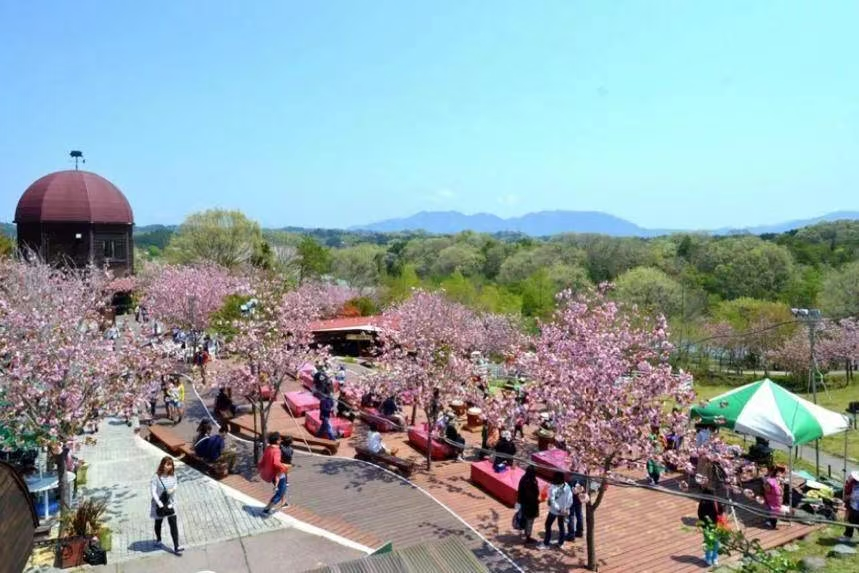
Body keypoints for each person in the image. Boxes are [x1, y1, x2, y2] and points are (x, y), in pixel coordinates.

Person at [150, 456, 184, 555]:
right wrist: (160, 504)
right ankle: (158, 540)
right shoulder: (156, 477)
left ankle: (176, 546)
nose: (169, 467)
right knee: (158, 523)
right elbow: (153, 492)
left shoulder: (173, 475)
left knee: (173, 524)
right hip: (159, 504)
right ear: (162, 465)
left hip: (170, 504)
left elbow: (176, 484)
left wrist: (173, 489)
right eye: (167, 464)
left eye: (171, 465)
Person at [538, 471, 573, 550]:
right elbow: (570, 499)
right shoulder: (567, 487)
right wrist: (566, 508)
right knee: (561, 526)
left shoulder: (552, 488)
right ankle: (561, 543)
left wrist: (558, 509)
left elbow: (552, 501)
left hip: (554, 511)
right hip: (563, 511)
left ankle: (546, 543)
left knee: (548, 525)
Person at [258, 432, 290, 515]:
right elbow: (276, 463)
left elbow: (263, 460)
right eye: (279, 439)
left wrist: (260, 468)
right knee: (280, 492)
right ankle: (267, 508)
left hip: (271, 474)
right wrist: (284, 467)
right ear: (276, 441)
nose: (280, 440)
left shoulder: (268, 448)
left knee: (280, 489)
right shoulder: (276, 450)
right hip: (279, 474)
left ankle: (284, 503)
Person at [698, 488, 727, 567]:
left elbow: (700, 514)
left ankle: (708, 559)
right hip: (716, 525)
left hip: (706, 526)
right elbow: (721, 511)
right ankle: (715, 558)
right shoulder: (716, 502)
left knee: (708, 542)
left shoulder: (703, 503)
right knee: (716, 542)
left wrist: (702, 525)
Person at [516, 465, 540, 544]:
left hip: (524, 502)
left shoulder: (524, 478)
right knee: (529, 520)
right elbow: (531, 494)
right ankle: (528, 537)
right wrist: (537, 500)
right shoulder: (530, 481)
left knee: (524, 517)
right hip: (530, 505)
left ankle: (524, 530)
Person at [839, 470, 859, 542]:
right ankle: (848, 535)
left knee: (853, 522)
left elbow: (852, 496)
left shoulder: (857, 488)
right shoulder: (854, 484)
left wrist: (846, 497)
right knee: (850, 521)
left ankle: (848, 536)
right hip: (853, 507)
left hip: (857, 509)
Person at [565, 475, 586, 541]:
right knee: (579, 514)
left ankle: (571, 535)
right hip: (579, 498)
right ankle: (580, 532)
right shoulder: (582, 477)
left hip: (571, 500)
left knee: (571, 516)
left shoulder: (570, 478)